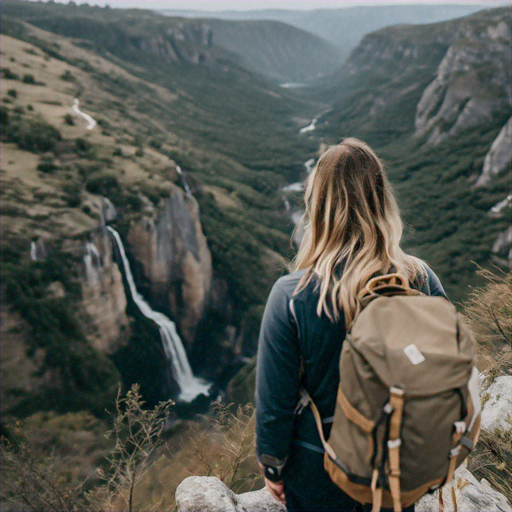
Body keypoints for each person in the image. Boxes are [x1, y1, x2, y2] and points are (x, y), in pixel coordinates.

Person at [255, 138, 448, 512]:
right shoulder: (420, 278)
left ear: (320, 206)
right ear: (380, 200)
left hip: (318, 470)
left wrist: (273, 466)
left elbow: (274, 402)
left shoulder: (291, 295)